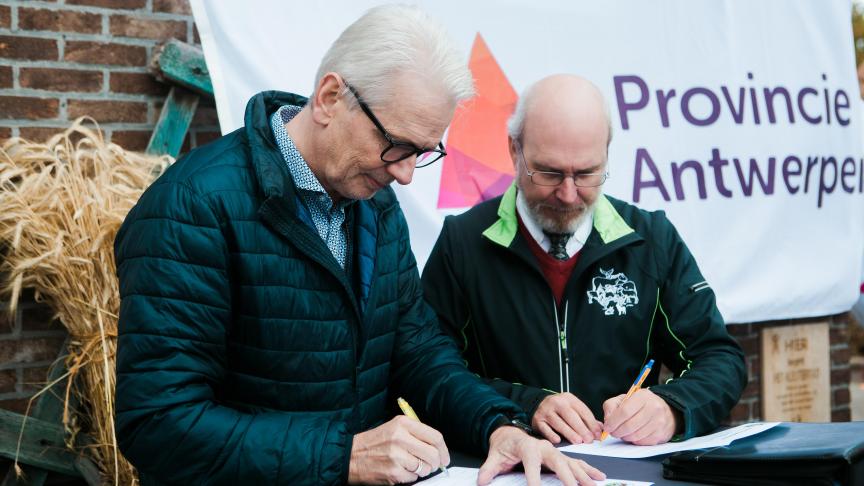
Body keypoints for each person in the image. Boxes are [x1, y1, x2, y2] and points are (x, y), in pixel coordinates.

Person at [113, 7, 606, 486]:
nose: (406, 174)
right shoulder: (192, 207)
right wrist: (342, 456)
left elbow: (415, 351)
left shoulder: (376, 203)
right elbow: (158, 423)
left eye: (424, 153)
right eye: (396, 144)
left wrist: (498, 426)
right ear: (330, 97)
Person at [421, 74, 747, 448]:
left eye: (587, 173)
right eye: (550, 172)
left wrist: (672, 407)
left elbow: (721, 359)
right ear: (515, 150)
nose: (568, 193)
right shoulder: (462, 244)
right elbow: (430, 372)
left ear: (606, 154)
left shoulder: (651, 240)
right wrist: (525, 406)